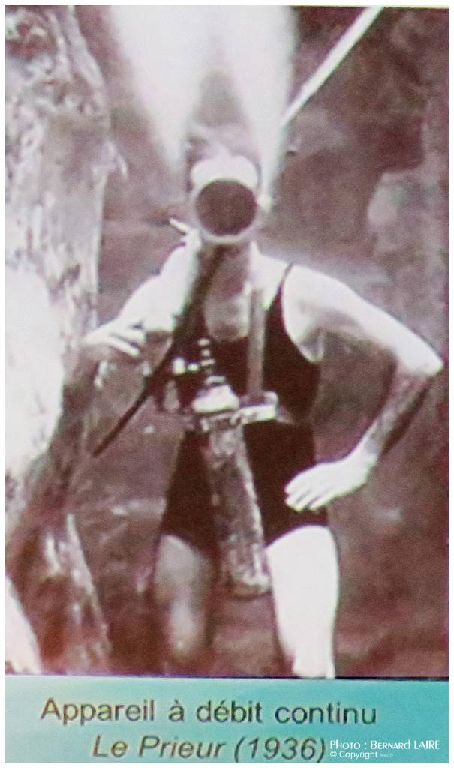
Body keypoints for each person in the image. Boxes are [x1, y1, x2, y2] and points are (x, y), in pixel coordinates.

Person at [81, 142, 442, 678]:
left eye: (239, 196)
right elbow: (104, 377)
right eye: (211, 197)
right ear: (187, 209)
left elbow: (421, 360)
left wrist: (359, 463)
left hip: (287, 491)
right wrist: (88, 356)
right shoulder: (163, 297)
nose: (226, 210)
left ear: (263, 207)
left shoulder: (303, 292)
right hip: (196, 491)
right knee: (179, 656)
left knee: (309, 667)